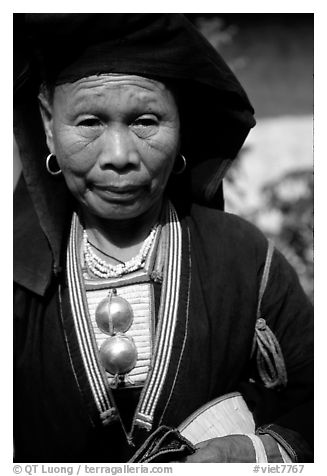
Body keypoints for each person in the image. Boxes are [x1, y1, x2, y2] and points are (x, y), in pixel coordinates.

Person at [13, 13, 313, 463]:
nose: (120, 156)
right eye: (90, 122)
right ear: (48, 124)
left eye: (146, 121)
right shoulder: (13, 274)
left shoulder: (248, 261)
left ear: (182, 126)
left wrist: (259, 448)